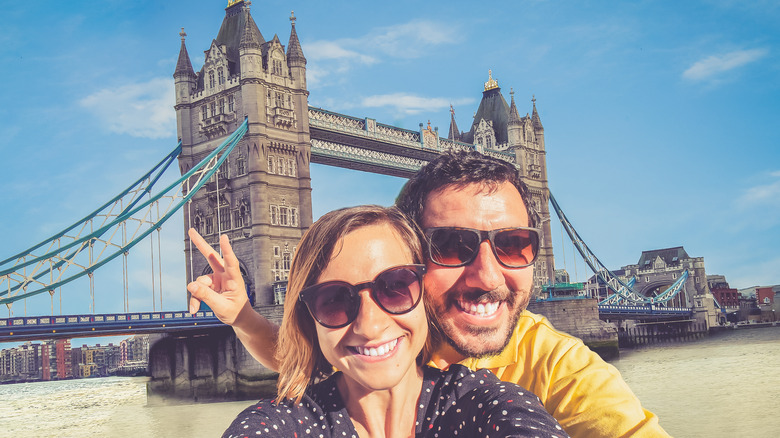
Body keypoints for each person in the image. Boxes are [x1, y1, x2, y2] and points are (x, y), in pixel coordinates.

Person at [188, 151, 670, 437]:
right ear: (412, 260)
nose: (487, 275)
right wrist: (243, 316)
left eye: (514, 245)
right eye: (453, 247)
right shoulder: (365, 346)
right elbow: (311, 353)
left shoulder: (553, 368)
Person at [189, 206, 569, 437]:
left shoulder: (484, 404)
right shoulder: (284, 424)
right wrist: (243, 317)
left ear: (425, 293)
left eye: (396, 286)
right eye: (335, 300)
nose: (370, 325)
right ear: (311, 321)